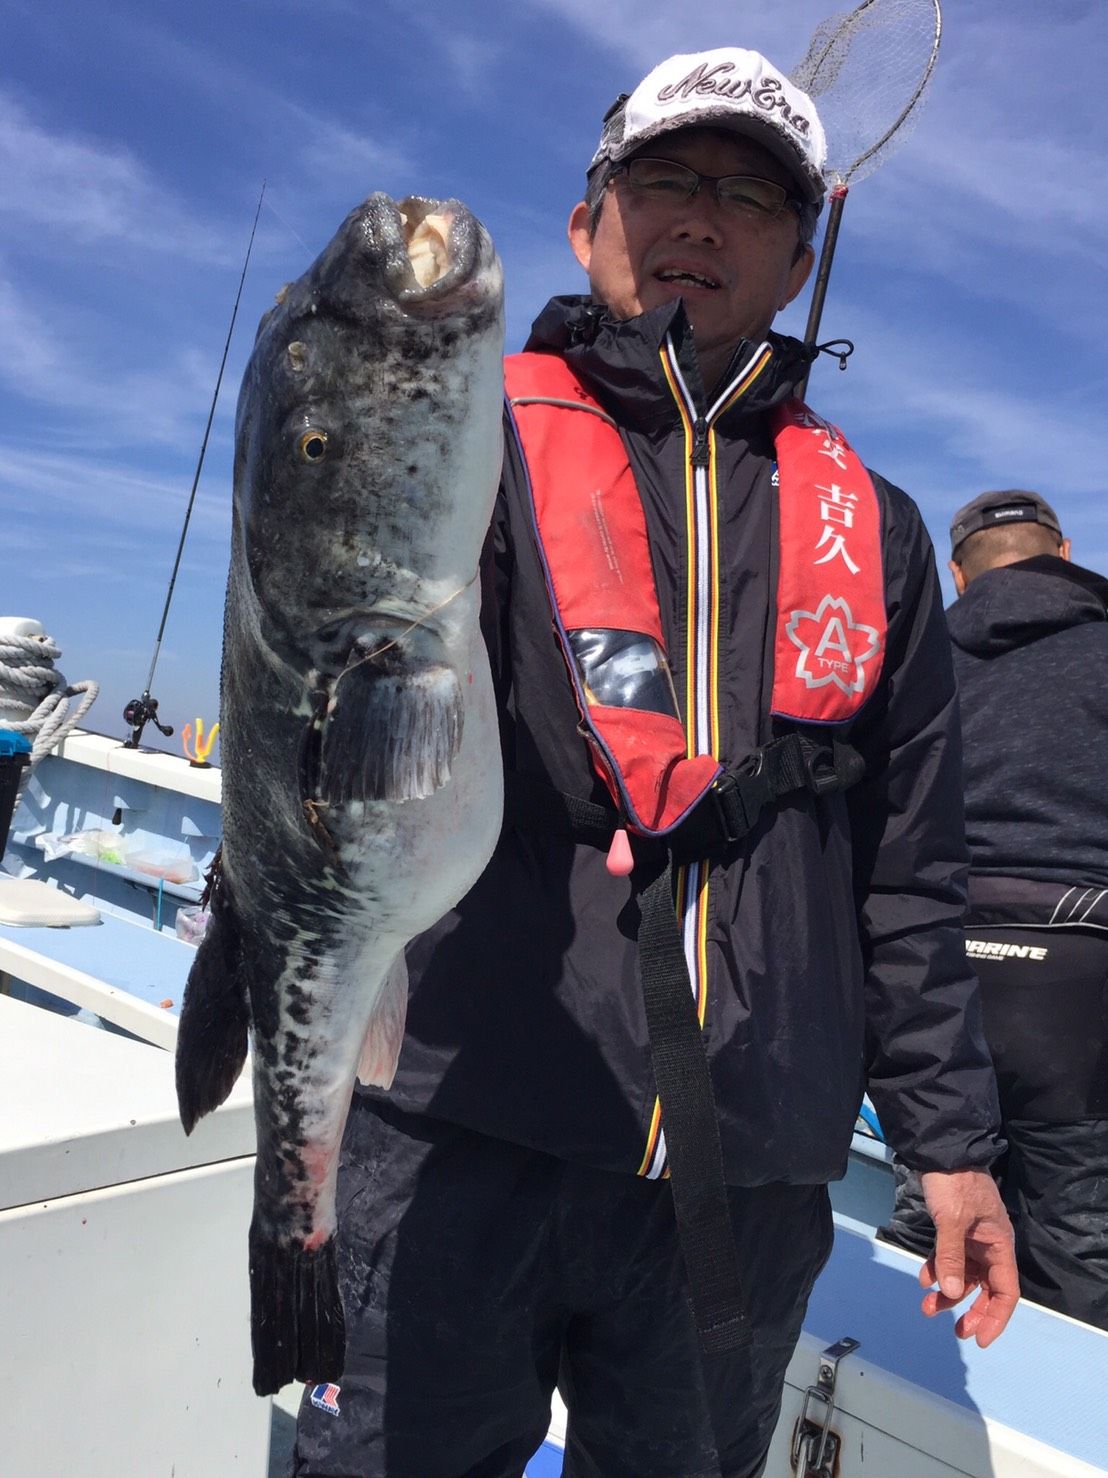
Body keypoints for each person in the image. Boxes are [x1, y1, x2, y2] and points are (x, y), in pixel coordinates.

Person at [293, 47, 1018, 1478]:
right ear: (588, 224)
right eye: (665, 179)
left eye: (750, 196)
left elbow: (911, 869)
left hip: (742, 1172)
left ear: (801, 260)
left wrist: (951, 1140)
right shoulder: (467, 442)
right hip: (464, 1110)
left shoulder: (876, 529)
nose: (700, 216)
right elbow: (329, 681)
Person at [879, 490, 1108, 1330]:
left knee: (930, 1208)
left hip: (935, 965)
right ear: (1065, 553)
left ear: (957, 574)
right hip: (1080, 969)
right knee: (1077, 1230)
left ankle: (891, 1373)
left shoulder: (917, 661)